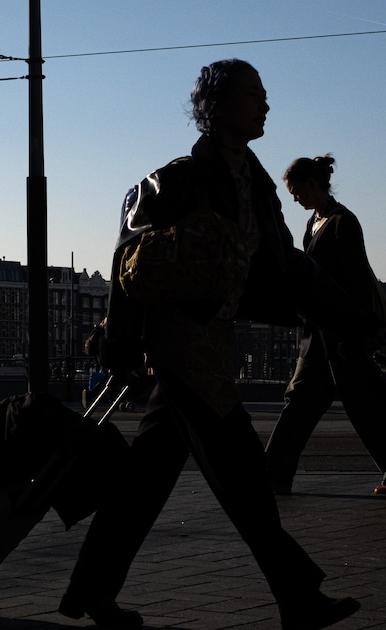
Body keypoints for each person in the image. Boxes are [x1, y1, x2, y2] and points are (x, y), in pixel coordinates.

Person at [58, 60, 365, 630]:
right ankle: (297, 597)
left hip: (211, 346)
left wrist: (351, 314)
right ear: (218, 105)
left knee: (142, 485)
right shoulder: (174, 179)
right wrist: (121, 341)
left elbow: (285, 266)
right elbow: (131, 262)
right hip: (182, 352)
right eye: (254, 95)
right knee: (245, 479)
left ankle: (93, 593)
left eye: (266, 95)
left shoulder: (256, 180)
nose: (265, 105)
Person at [265, 155, 386, 496]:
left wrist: (358, 329)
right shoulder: (316, 222)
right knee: (316, 403)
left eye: (296, 191)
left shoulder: (342, 222)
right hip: (320, 333)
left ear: (312, 184)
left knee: (360, 404)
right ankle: (273, 475)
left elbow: (353, 280)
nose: (294, 198)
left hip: (340, 333)